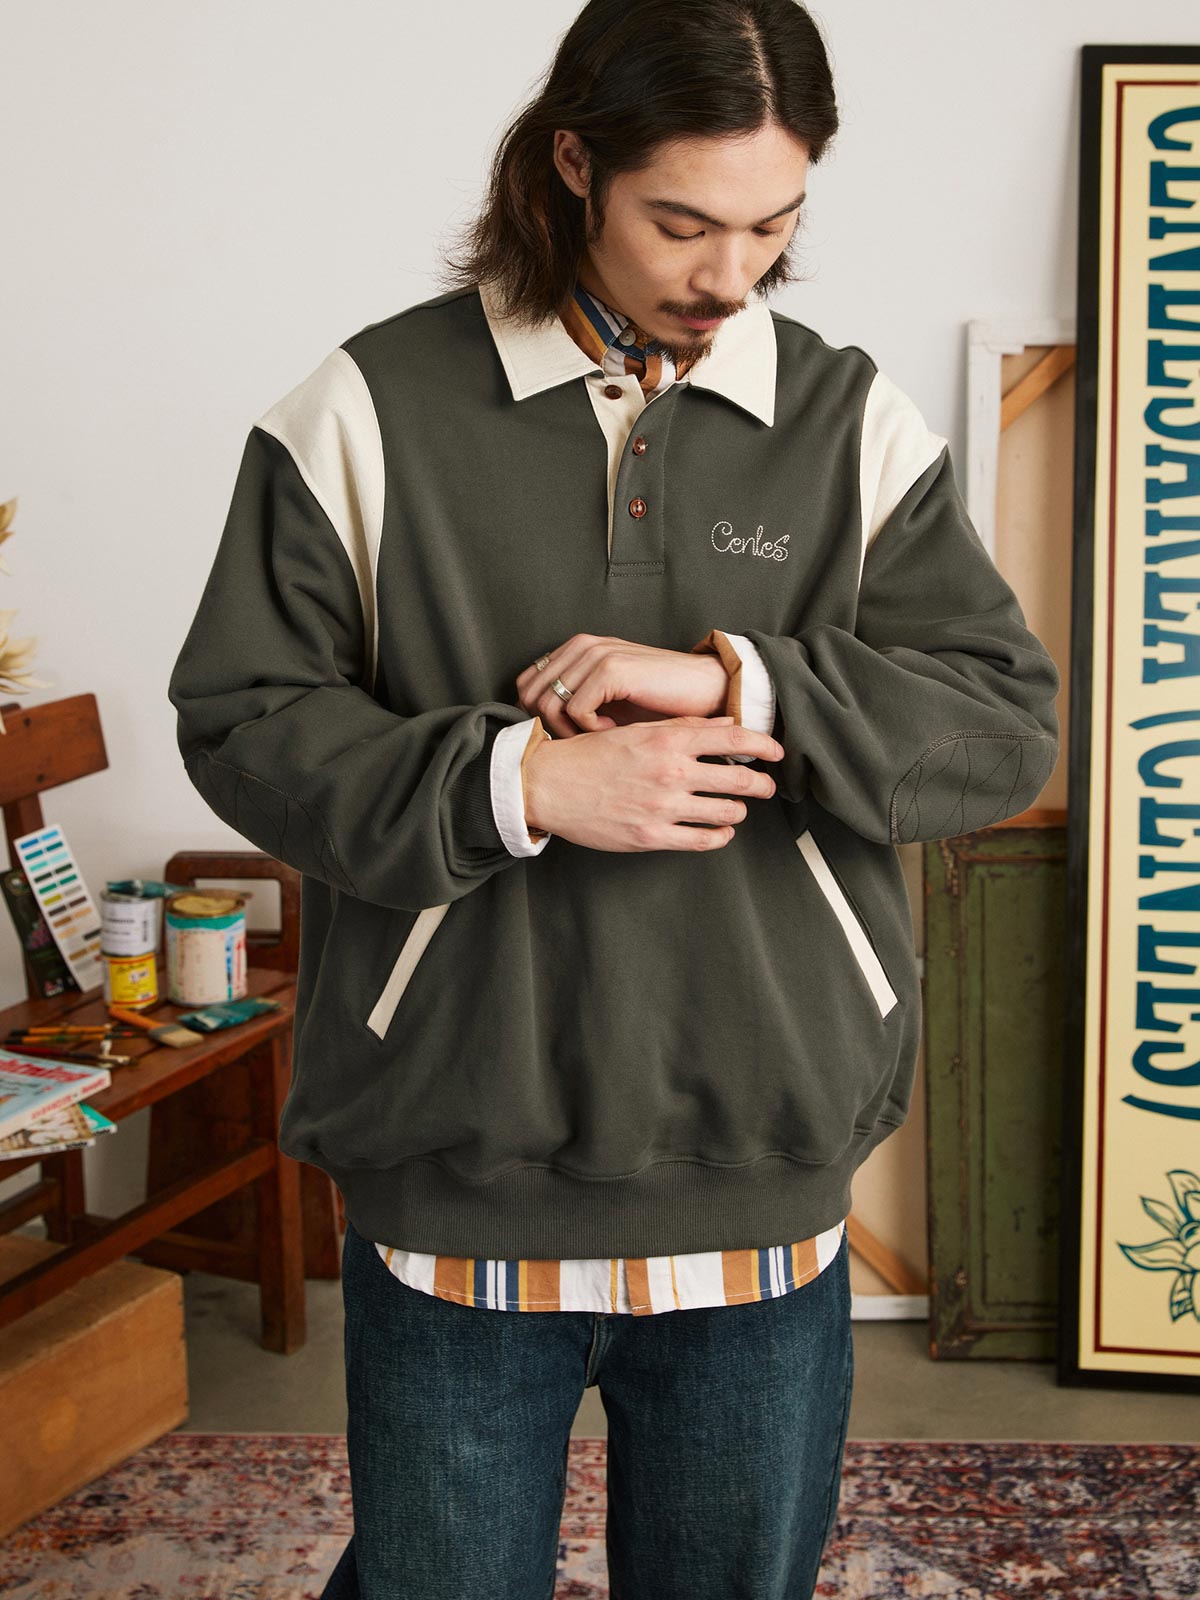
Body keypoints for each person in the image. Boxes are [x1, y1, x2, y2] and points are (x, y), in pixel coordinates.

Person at [167, 1, 1061, 1595]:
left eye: (775, 225)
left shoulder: (850, 422)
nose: (731, 275)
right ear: (573, 163)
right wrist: (520, 779)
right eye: (684, 222)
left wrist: (742, 681)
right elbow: (241, 726)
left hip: (762, 1176)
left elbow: (1003, 731)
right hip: (453, 1176)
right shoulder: (363, 410)